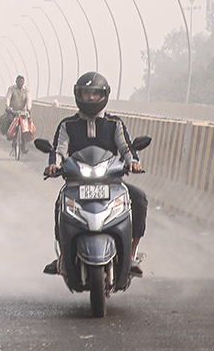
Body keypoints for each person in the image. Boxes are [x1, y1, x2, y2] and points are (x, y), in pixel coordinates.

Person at [42, 71, 148, 277]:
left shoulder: (114, 124)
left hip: (112, 182)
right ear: (77, 95)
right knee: (60, 204)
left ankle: (132, 253)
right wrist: (53, 166)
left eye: (95, 94)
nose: (90, 98)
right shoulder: (68, 125)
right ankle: (63, 256)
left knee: (139, 198)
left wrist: (133, 163)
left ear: (104, 96)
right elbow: (59, 150)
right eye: (85, 93)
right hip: (76, 183)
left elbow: (126, 148)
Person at [3, 75, 33, 153]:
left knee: (24, 128)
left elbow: (28, 99)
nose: (20, 83)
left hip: (22, 112)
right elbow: (8, 98)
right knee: (10, 120)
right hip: (13, 111)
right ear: (16, 81)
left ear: (23, 82)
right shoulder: (12, 89)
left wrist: (28, 108)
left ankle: (24, 146)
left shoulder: (26, 90)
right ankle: (11, 136)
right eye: (19, 81)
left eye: (21, 81)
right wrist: (7, 107)